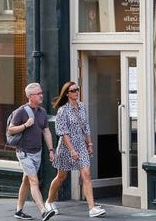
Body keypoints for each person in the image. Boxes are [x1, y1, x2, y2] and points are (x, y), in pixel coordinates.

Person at [45, 81, 106, 218]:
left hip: (81, 145)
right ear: (67, 94)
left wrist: (89, 144)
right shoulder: (63, 110)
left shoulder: (82, 107)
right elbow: (63, 132)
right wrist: (72, 150)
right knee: (61, 176)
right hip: (67, 146)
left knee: (86, 174)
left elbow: (86, 127)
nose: (76, 92)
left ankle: (92, 208)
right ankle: (49, 201)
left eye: (77, 90)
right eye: (73, 91)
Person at [9, 82, 56, 221]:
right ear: (30, 96)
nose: (41, 95)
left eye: (41, 92)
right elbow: (10, 130)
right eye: (38, 94)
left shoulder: (41, 112)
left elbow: (46, 131)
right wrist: (25, 125)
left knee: (26, 180)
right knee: (34, 181)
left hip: (37, 152)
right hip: (23, 152)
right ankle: (43, 211)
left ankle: (18, 211)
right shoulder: (21, 112)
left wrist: (51, 150)